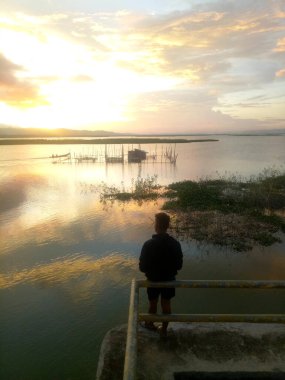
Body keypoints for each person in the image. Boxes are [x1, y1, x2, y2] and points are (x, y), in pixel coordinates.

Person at [139, 212, 183, 336]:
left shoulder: (148, 245)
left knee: (153, 303)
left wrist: (152, 271)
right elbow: (179, 266)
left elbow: (142, 268)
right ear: (168, 225)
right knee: (166, 303)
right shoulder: (175, 244)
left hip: (153, 280)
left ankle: (150, 324)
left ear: (156, 225)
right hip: (169, 280)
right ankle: (164, 330)